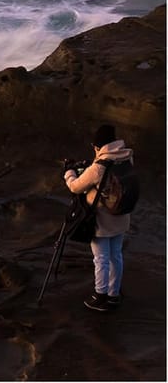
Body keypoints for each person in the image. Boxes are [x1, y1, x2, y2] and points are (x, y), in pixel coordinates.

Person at [63, 124, 133, 312]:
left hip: (101, 221)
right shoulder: (126, 157)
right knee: (116, 255)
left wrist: (69, 172)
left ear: (98, 146)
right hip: (121, 216)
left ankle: (99, 295)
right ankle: (113, 295)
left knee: (101, 258)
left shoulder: (98, 167)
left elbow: (76, 187)